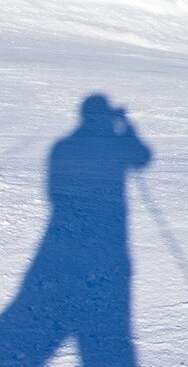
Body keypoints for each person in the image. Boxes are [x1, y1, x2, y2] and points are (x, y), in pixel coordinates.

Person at [0, 94, 153, 365]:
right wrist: (127, 129)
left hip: (69, 226)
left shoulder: (62, 146)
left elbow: (53, 191)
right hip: (109, 233)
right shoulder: (113, 144)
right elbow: (142, 158)